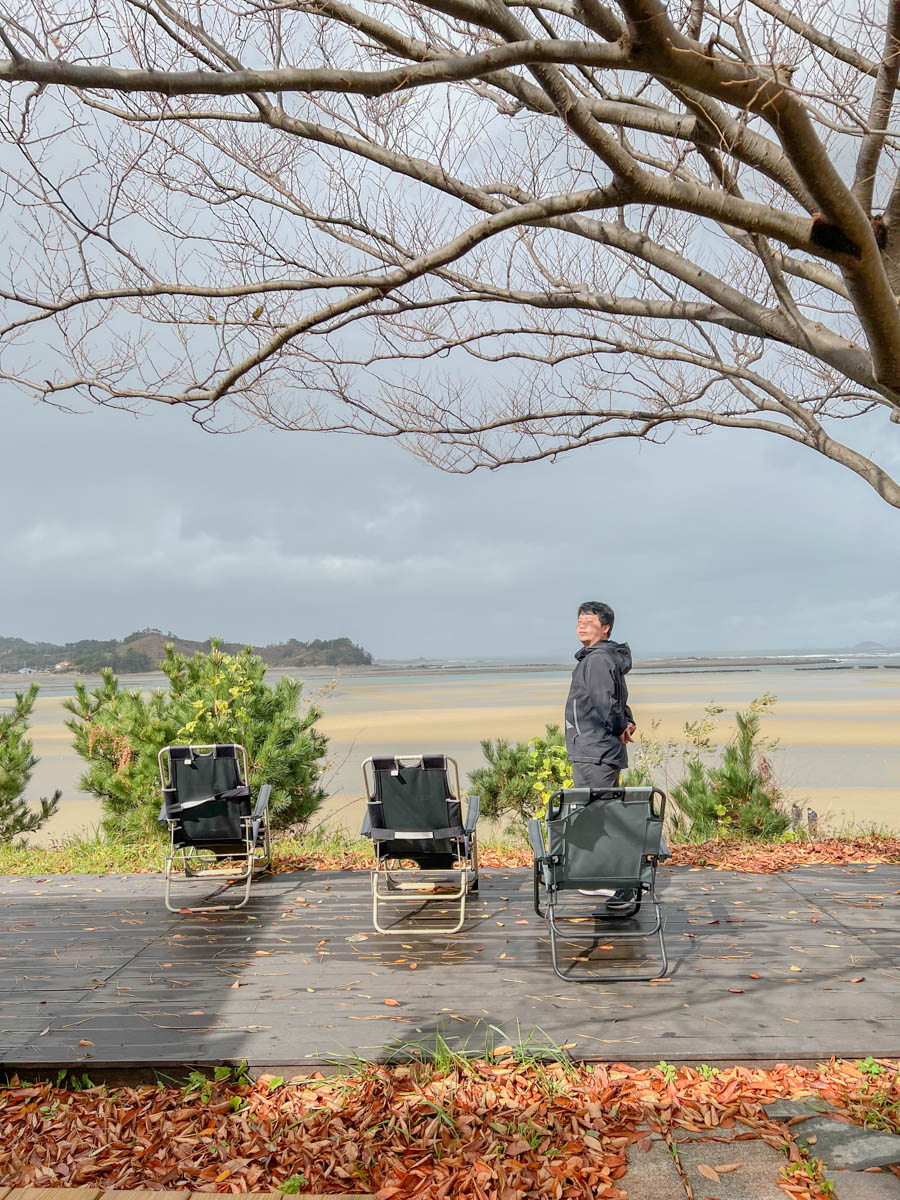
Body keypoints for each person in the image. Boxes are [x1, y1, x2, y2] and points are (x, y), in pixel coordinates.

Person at [564, 600, 638, 916]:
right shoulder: (602, 658)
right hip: (597, 749)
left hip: (593, 751)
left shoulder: (596, 660)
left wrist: (621, 724)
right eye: (579, 620)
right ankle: (603, 875)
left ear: (605, 627)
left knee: (598, 814)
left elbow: (606, 703)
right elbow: (618, 700)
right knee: (601, 812)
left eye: (589, 620)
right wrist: (627, 721)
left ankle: (610, 878)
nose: (581, 624)